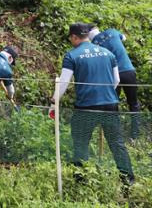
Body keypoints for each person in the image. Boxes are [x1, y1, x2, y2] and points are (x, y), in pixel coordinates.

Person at [50, 23, 134, 186]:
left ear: (74, 37)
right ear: (87, 36)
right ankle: (128, 180)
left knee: (81, 143)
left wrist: (54, 101)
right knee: (116, 143)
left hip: (86, 107)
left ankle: (81, 182)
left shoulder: (72, 55)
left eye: (71, 38)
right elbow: (116, 80)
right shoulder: (108, 53)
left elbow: (63, 82)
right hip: (110, 104)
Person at [88, 25, 140, 138]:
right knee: (133, 103)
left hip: (112, 76)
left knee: (113, 104)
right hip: (128, 71)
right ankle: (135, 134)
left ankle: (116, 134)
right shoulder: (112, 31)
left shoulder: (93, 45)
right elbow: (124, 38)